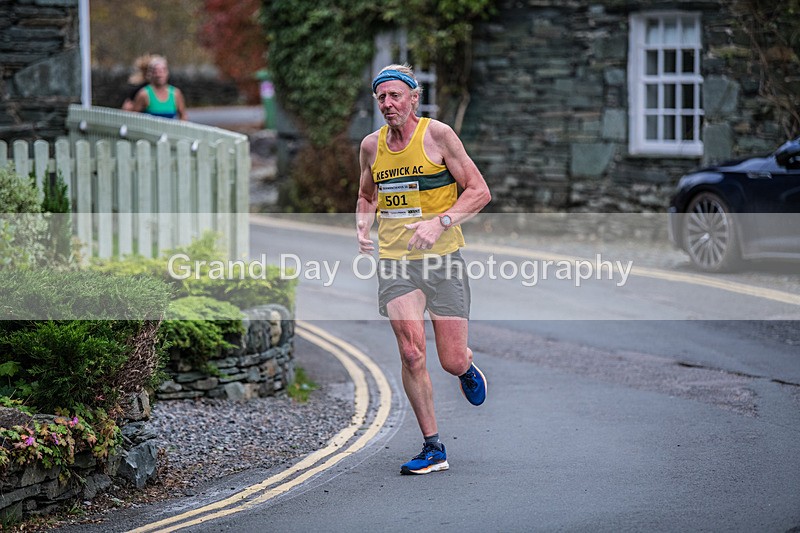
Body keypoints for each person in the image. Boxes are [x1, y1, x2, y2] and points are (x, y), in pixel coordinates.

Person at [356, 64, 492, 475]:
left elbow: (479, 191)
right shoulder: (370, 146)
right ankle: (433, 447)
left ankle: (465, 366)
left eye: (396, 95)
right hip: (397, 262)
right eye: (381, 97)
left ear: (414, 98)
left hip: (442, 259)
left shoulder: (438, 136)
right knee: (412, 351)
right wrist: (363, 224)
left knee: (449, 359)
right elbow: (366, 194)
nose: (387, 103)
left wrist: (440, 222)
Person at [132, 56, 187, 120]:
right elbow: (134, 118)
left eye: (162, 71)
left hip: (169, 130)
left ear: (167, 73)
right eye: (156, 71)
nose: (159, 75)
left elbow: (183, 115)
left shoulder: (175, 93)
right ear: (150, 74)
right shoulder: (144, 94)